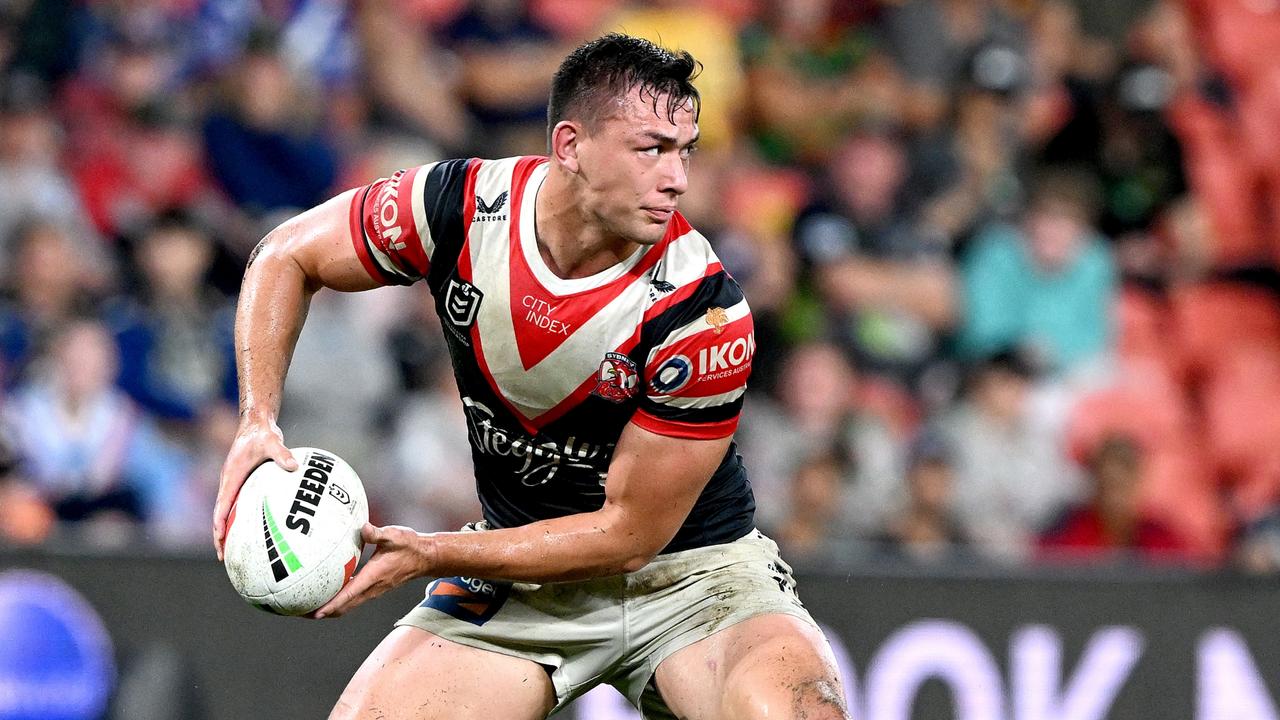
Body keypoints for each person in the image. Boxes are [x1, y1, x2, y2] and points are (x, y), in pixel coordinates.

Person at [212, 34, 849, 720]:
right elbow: (286, 255)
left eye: (684, 150)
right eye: (651, 149)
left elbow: (630, 536)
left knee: (802, 712)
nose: (677, 179)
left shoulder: (702, 310)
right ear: (571, 145)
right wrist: (257, 421)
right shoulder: (458, 205)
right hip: (522, 580)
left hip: (692, 580)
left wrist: (433, 552)